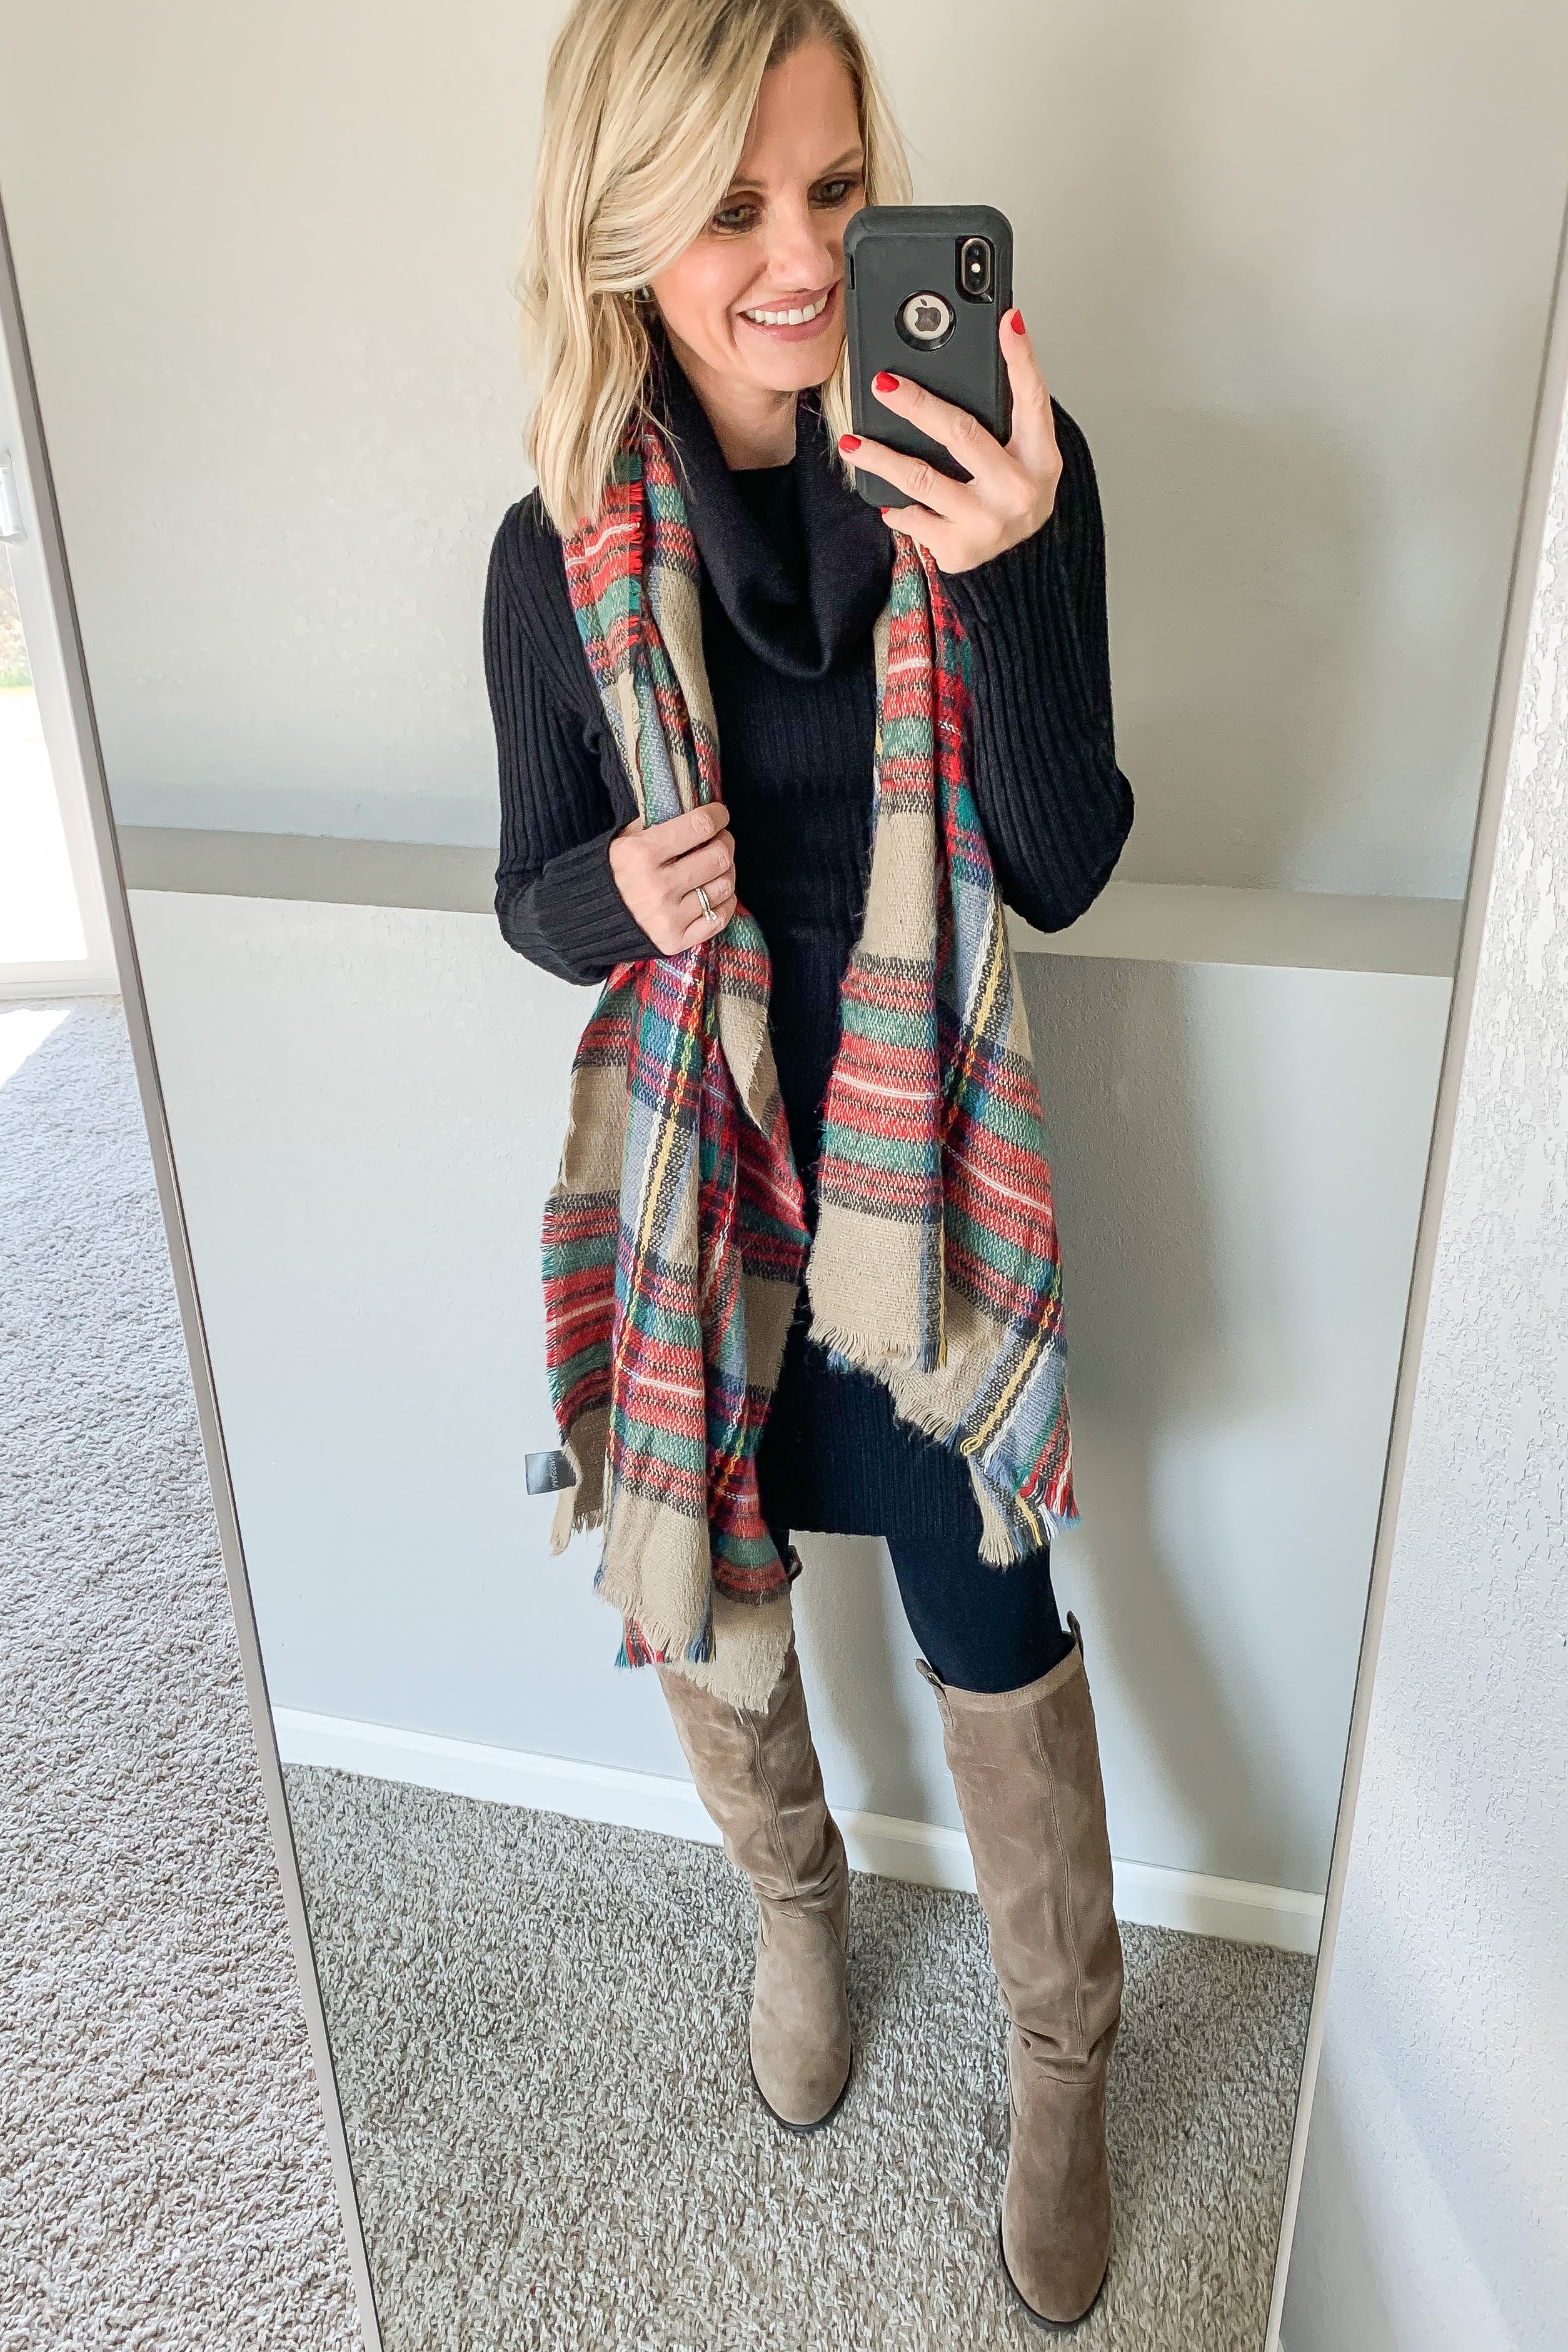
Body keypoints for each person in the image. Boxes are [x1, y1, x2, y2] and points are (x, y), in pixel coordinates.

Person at [486, 0, 1133, 2326]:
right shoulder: (553, 548)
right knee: (720, 1602)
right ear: (617, 232)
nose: (793, 256)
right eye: (727, 206)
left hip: (920, 1188)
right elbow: (527, 888)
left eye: (836, 191)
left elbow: (1057, 865)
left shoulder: (998, 469)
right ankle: (792, 1909)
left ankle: (1062, 2055)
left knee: (989, 1617)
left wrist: (1011, 573)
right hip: (708, 1194)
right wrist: (609, 899)